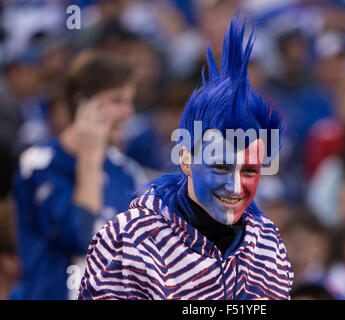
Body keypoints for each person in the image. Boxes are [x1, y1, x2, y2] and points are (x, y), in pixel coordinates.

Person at [77, 15, 293, 300]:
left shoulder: (267, 242)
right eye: (221, 166)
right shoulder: (128, 240)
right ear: (186, 159)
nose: (235, 185)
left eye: (249, 171)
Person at [12, 51, 148, 299]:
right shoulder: (40, 165)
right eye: (117, 101)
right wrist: (89, 160)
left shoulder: (128, 172)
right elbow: (82, 239)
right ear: (82, 103)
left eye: (130, 101)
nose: (128, 112)